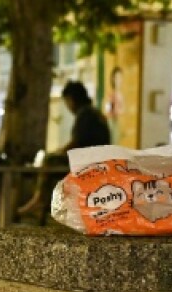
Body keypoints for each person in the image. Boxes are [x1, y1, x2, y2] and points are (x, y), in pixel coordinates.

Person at [18, 79, 111, 218]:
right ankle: (44, 202)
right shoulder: (95, 113)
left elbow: (76, 142)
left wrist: (58, 152)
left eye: (67, 101)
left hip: (87, 161)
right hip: (99, 160)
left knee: (49, 161)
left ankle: (39, 200)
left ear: (72, 99)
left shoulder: (84, 114)